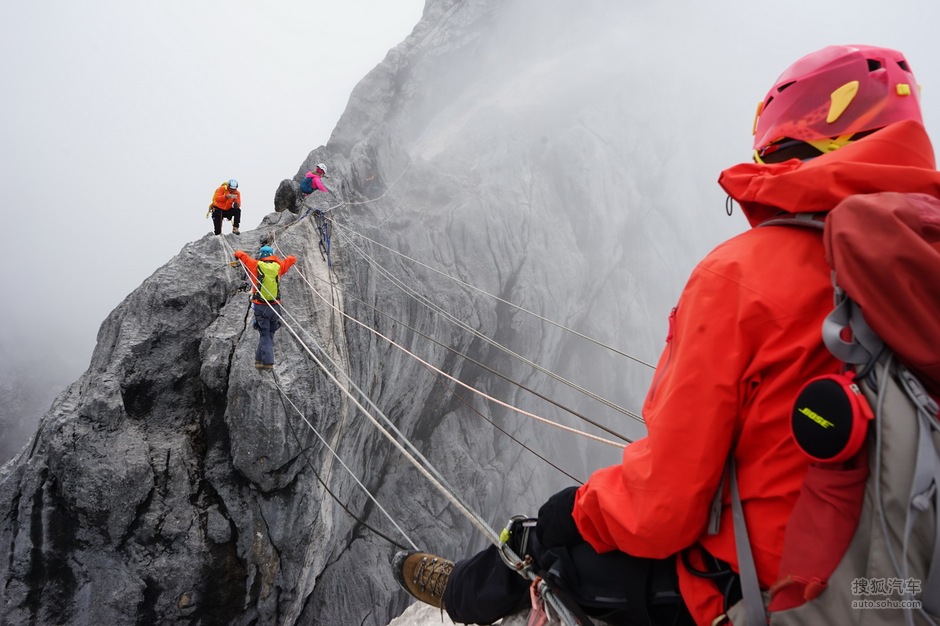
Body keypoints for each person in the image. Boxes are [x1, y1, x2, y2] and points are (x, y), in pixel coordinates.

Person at [393, 44, 940, 626]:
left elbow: (661, 509)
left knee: (553, 556)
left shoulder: (744, 273)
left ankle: (460, 597)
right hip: (900, 570)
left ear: (782, 131)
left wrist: (566, 515)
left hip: (772, 586)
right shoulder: (918, 267)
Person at [233, 245, 297, 370]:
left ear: (261, 256)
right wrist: (292, 257)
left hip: (261, 307)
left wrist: (237, 253)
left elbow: (243, 256)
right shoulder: (278, 267)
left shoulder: (256, 265)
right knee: (269, 333)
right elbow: (290, 260)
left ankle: (268, 362)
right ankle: (259, 360)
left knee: (265, 334)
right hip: (275, 306)